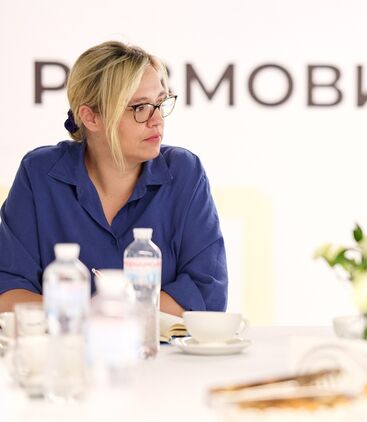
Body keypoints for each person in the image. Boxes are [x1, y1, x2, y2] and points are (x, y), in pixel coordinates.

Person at [0, 41, 227, 315]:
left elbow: (206, 294)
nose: (157, 120)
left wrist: (89, 313)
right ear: (91, 117)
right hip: (66, 344)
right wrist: (104, 315)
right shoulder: (39, 173)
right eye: (140, 107)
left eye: (160, 103)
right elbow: (8, 293)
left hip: (157, 346)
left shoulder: (184, 171)